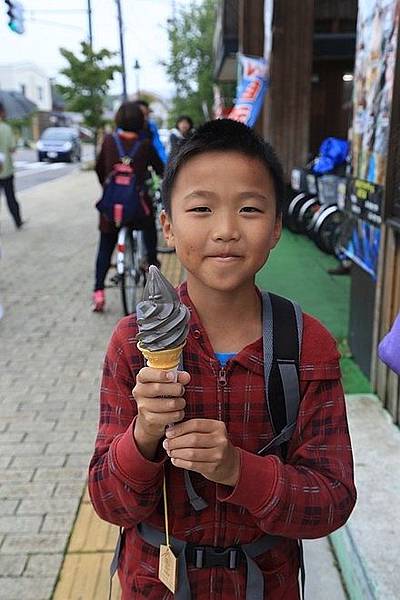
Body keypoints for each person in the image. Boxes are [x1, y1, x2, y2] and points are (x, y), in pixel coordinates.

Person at [89, 119, 356, 598]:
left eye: (250, 209)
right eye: (201, 208)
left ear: (277, 227)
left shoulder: (305, 344)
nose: (227, 230)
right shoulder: (133, 342)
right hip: (155, 581)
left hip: (265, 582)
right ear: (167, 224)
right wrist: (146, 432)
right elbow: (110, 503)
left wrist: (238, 469)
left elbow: (332, 502)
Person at [93, 101, 164, 312]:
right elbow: (160, 169)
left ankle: (98, 292)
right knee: (150, 225)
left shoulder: (108, 141)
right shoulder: (145, 145)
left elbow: (99, 170)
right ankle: (151, 265)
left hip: (111, 210)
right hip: (137, 209)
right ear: (142, 121)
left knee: (105, 246)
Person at [0, 102, 24, 229]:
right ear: (2, 112)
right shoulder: (6, 128)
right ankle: (18, 221)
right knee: (10, 197)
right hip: (6, 170)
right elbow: (12, 149)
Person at [136, 99, 168, 165]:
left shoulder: (151, 127)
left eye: (147, 115)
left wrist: (166, 164)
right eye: (141, 114)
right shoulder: (126, 129)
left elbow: (158, 147)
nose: (145, 118)